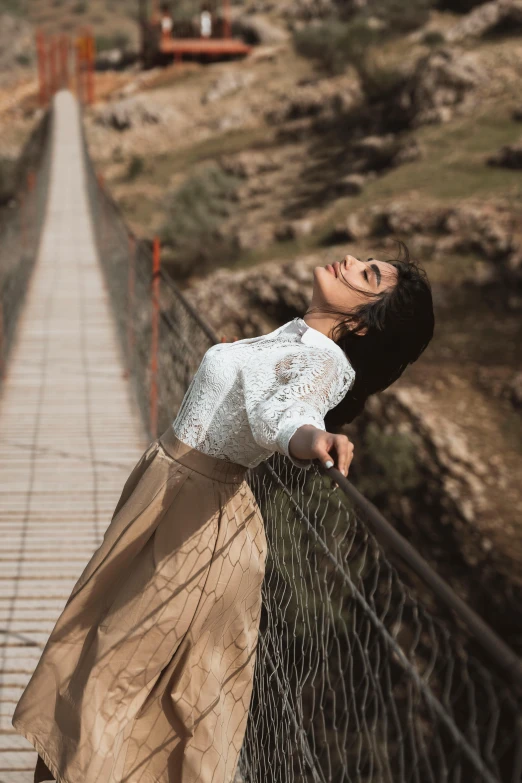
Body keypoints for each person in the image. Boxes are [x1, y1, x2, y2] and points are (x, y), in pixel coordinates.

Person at [12, 240, 434, 783]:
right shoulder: (294, 336)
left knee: (109, 676)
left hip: (196, 523)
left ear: (361, 324)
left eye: (368, 273)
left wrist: (310, 440)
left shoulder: (323, 361)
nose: (350, 261)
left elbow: (283, 415)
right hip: (168, 500)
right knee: (97, 658)